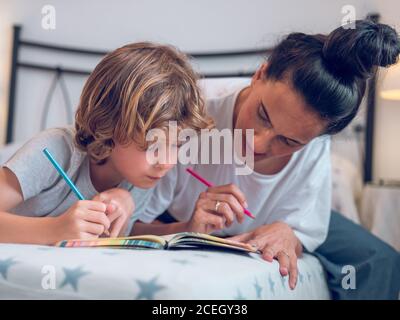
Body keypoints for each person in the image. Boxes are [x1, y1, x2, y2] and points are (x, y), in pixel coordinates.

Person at [132, 20, 400, 299]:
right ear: (260, 73)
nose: (257, 144)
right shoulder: (190, 108)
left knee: (380, 262)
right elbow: (130, 226)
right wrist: (188, 228)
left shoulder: (315, 141)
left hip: (278, 216)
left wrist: (291, 235)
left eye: (289, 141)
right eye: (262, 115)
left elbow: (306, 225)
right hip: (178, 217)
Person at [0, 42, 212, 244]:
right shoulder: (54, 150)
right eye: (151, 146)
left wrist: (186, 228)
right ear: (109, 125)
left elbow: (117, 240)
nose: (166, 163)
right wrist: (53, 230)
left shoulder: (139, 179)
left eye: (176, 144)